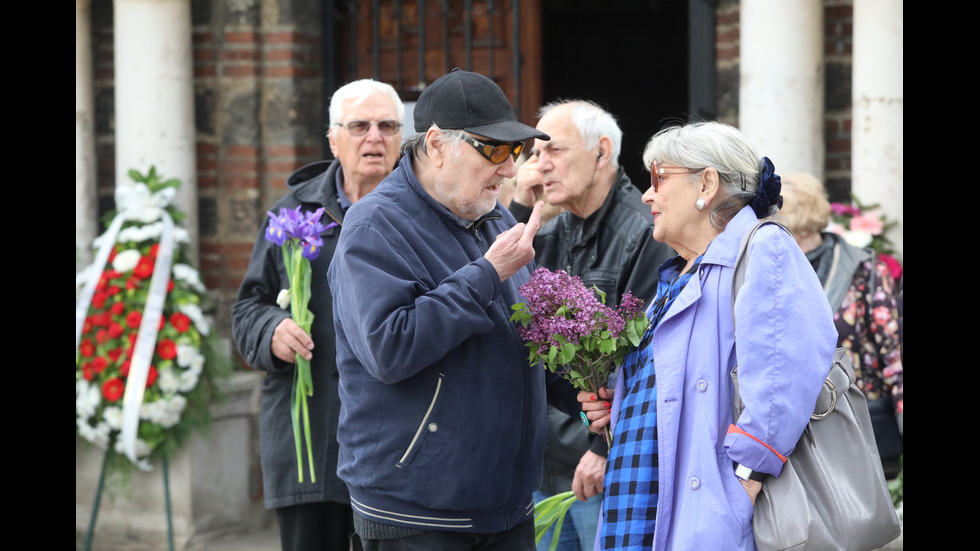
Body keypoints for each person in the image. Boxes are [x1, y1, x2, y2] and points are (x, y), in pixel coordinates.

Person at [326, 68, 582, 551]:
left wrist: (585, 388)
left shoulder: (493, 217)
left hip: (503, 503)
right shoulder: (374, 225)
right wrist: (487, 273)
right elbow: (389, 348)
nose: (509, 169)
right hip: (417, 513)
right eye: (495, 150)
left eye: (515, 151)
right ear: (438, 144)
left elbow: (521, 339)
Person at [580, 121, 837, 550]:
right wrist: (618, 405)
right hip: (642, 500)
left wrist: (743, 484)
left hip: (706, 513)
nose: (647, 194)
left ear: (708, 182)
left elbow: (785, 377)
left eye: (659, 178)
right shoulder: (677, 275)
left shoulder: (762, 249)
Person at [231, 78, 404, 551]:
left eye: (387, 126)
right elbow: (248, 307)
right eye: (360, 126)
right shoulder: (293, 213)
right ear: (333, 138)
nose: (374, 137)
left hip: (399, 444)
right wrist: (272, 331)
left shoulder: (422, 213)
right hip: (310, 438)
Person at [508, 99, 673, 551]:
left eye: (553, 151)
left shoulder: (644, 232)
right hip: (542, 460)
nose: (539, 165)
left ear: (601, 152)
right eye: (535, 154)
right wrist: (520, 207)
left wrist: (603, 450)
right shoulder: (553, 230)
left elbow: (646, 360)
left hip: (604, 463)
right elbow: (500, 300)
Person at [778, 171, 904, 475]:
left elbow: (893, 354)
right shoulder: (775, 271)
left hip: (860, 423)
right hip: (797, 430)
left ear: (801, 223)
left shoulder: (864, 270)